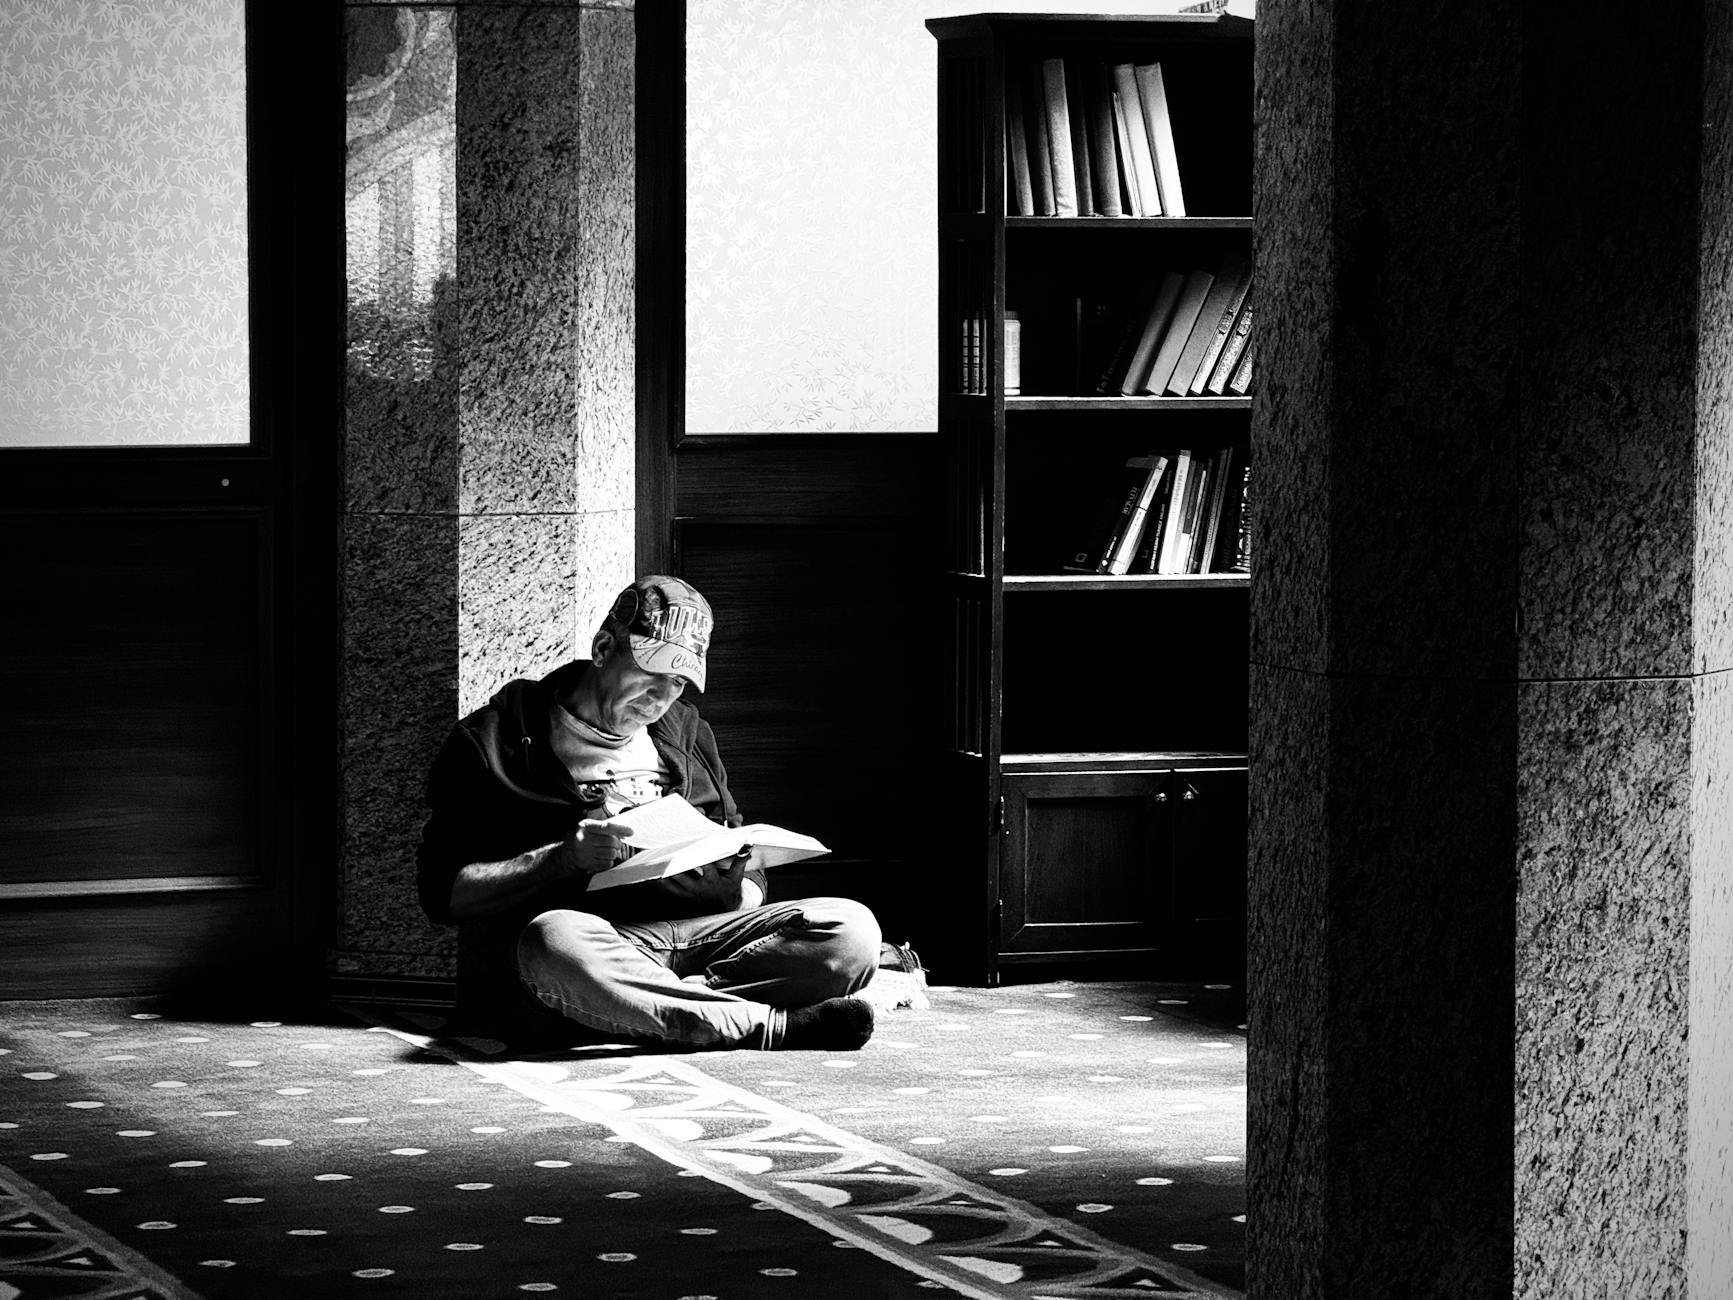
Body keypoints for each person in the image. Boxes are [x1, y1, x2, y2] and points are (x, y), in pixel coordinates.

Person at [416, 574, 882, 1051]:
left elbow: (737, 842)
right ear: (602, 649)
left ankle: (646, 1009)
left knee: (851, 931)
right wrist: (562, 859)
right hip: (591, 942)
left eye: (678, 681)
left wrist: (745, 887)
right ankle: (767, 1025)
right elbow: (444, 895)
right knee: (553, 941)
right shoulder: (494, 742)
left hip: (696, 936)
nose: (661, 697)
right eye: (652, 671)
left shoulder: (686, 733)